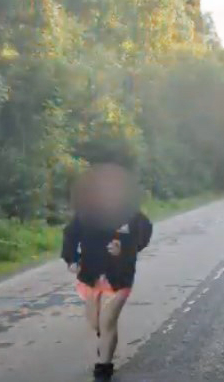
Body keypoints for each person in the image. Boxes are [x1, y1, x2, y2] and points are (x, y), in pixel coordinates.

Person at [62, 163, 153, 382]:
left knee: (108, 321)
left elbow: (144, 233)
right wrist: (72, 260)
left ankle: (104, 368)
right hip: (90, 273)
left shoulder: (131, 215)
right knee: (96, 323)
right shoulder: (86, 213)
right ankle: (106, 342)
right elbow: (70, 236)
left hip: (119, 275)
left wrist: (128, 249)